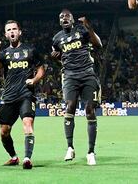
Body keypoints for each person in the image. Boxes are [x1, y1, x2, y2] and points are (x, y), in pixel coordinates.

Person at [51, 9, 102, 166]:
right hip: (70, 76)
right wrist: (55, 59)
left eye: (67, 16)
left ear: (72, 20)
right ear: (60, 22)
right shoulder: (56, 39)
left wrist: (89, 28)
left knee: (89, 110)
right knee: (70, 106)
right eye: (61, 17)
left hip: (87, 74)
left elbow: (98, 44)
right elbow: (58, 57)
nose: (64, 18)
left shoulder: (82, 31)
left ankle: (91, 152)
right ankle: (70, 147)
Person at [0, 20, 44, 170]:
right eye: (9, 30)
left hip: (26, 94)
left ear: (20, 32)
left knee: (27, 124)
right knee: (4, 131)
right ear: (6, 34)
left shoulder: (30, 50)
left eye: (14, 29)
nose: (12, 32)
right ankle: (14, 157)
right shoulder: (4, 53)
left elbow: (41, 68)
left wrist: (34, 80)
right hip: (9, 96)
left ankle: (27, 158)